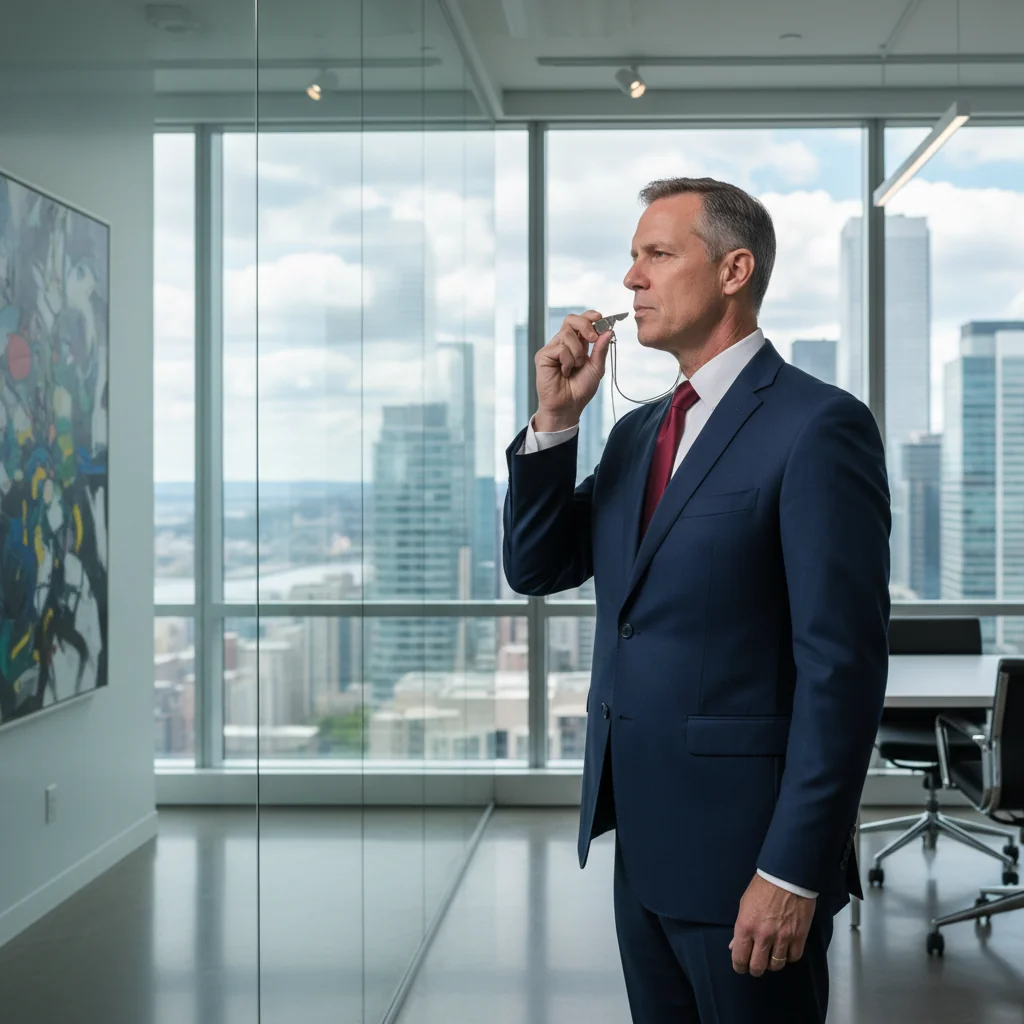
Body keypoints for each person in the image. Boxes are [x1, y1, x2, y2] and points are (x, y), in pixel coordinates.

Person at [502, 177, 890, 1023]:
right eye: (632, 258)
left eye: (657, 254)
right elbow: (538, 567)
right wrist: (555, 423)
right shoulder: (642, 431)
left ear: (733, 270)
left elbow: (841, 670)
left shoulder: (817, 426)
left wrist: (792, 870)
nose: (631, 279)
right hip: (641, 845)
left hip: (750, 860)